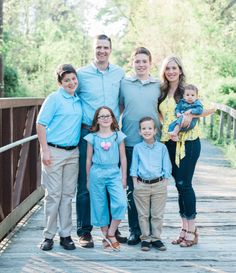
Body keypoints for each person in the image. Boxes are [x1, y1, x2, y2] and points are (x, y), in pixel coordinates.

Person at [158, 55, 215, 247]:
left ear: (180, 70)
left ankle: (192, 229)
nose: (171, 71)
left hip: (188, 143)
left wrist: (191, 113)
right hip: (169, 143)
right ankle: (183, 228)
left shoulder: (188, 91)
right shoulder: (162, 91)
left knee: (185, 184)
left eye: (174, 68)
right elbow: (161, 115)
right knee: (179, 186)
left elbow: (209, 109)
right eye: (168, 68)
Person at [76, 34, 126, 247]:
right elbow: (72, 96)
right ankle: (85, 231)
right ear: (93, 49)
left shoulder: (119, 73)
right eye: (98, 47)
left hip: (112, 134)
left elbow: (121, 103)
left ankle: (112, 230)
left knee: (111, 181)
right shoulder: (81, 74)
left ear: (111, 49)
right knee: (85, 183)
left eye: (105, 47)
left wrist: (111, 124)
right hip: (88, 133)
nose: (102, 51)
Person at [36, 64, 82, 251]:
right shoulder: (54, 98)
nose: (71, 83)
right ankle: (48, 236)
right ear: (60, 83)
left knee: (67, 195)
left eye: (73, 79)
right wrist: (45, 150)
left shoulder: (78, 100)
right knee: (53, 195)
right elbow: (40, 124)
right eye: (66, 80)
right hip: (54, 152)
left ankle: (65, 235)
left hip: (73, 153)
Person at [120, 47, 162, 245]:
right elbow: (119, 108)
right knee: (133, 189)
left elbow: (165, 108)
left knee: (153, 189)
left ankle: (153, 233)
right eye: (137, 61)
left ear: (150, 63)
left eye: (144, 61)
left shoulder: (158, 85)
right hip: (129, 143)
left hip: (153, 145)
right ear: (132, 63)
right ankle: (135, 231)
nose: (141, 64)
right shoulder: (124, 83)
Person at [84, 106, 127, 251]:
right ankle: (105, 238)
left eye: (108, 116)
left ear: (113, 118)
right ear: (97, 120)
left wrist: (123, 177)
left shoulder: (117, 135)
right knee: (99, 204)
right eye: (101, 116)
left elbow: (123, 157)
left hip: (114, 172)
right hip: (97, 172)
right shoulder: (92, 137)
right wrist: (88, 179)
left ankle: (111, 232)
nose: (105, 119)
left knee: (120, 202)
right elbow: (88, 159)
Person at [130, 117, 172, 251]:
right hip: (141, 185)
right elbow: (134, 166)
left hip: (159, 184)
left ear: (155, 131)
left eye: (149, 128)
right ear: (139, 132)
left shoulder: (162, 148)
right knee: (143, 214)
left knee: (157, 214)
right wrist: (135, 183)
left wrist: (165, 182)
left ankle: (156, 239)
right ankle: (146, 239)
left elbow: (167, 166)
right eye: (144, 128)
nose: (146, 131)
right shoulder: (137, 148)